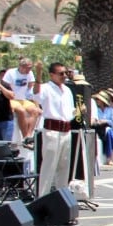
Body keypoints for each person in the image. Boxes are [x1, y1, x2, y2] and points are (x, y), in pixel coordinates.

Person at [35, 63, 75, 196]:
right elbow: (35, 95)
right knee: (49, 166)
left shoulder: (67, 90)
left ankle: (62, 198)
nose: (64, 76)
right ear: (52, 75)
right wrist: (39, 75)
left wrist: (77, 112)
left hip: (66, 131)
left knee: (64, 167)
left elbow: (69, 112)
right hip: (52, 130)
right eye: (61, 73)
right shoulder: (46, 88)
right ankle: (42, 198)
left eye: (65, 73)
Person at [3, 57, 42, 140]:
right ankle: (25, 136)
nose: (29, 70)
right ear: (21, 66)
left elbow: (31, 89)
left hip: (23, 99)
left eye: (31, 68)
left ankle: (29, 134)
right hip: (12, 99)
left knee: (35, 111)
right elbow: (5, 86)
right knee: (21, 111)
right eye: (28, 68)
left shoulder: (30, 73)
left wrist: (36, 103)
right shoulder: (11, 73)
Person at [91, 91, 113, 165]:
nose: (97, 101)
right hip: (99, 129)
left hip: (108, 130)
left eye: (98, 99)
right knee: (108, 131)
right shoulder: (96, 110)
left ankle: (109, 158)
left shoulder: (111, 110)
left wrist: (106, 121)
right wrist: (100, 122)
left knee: (108, 131)